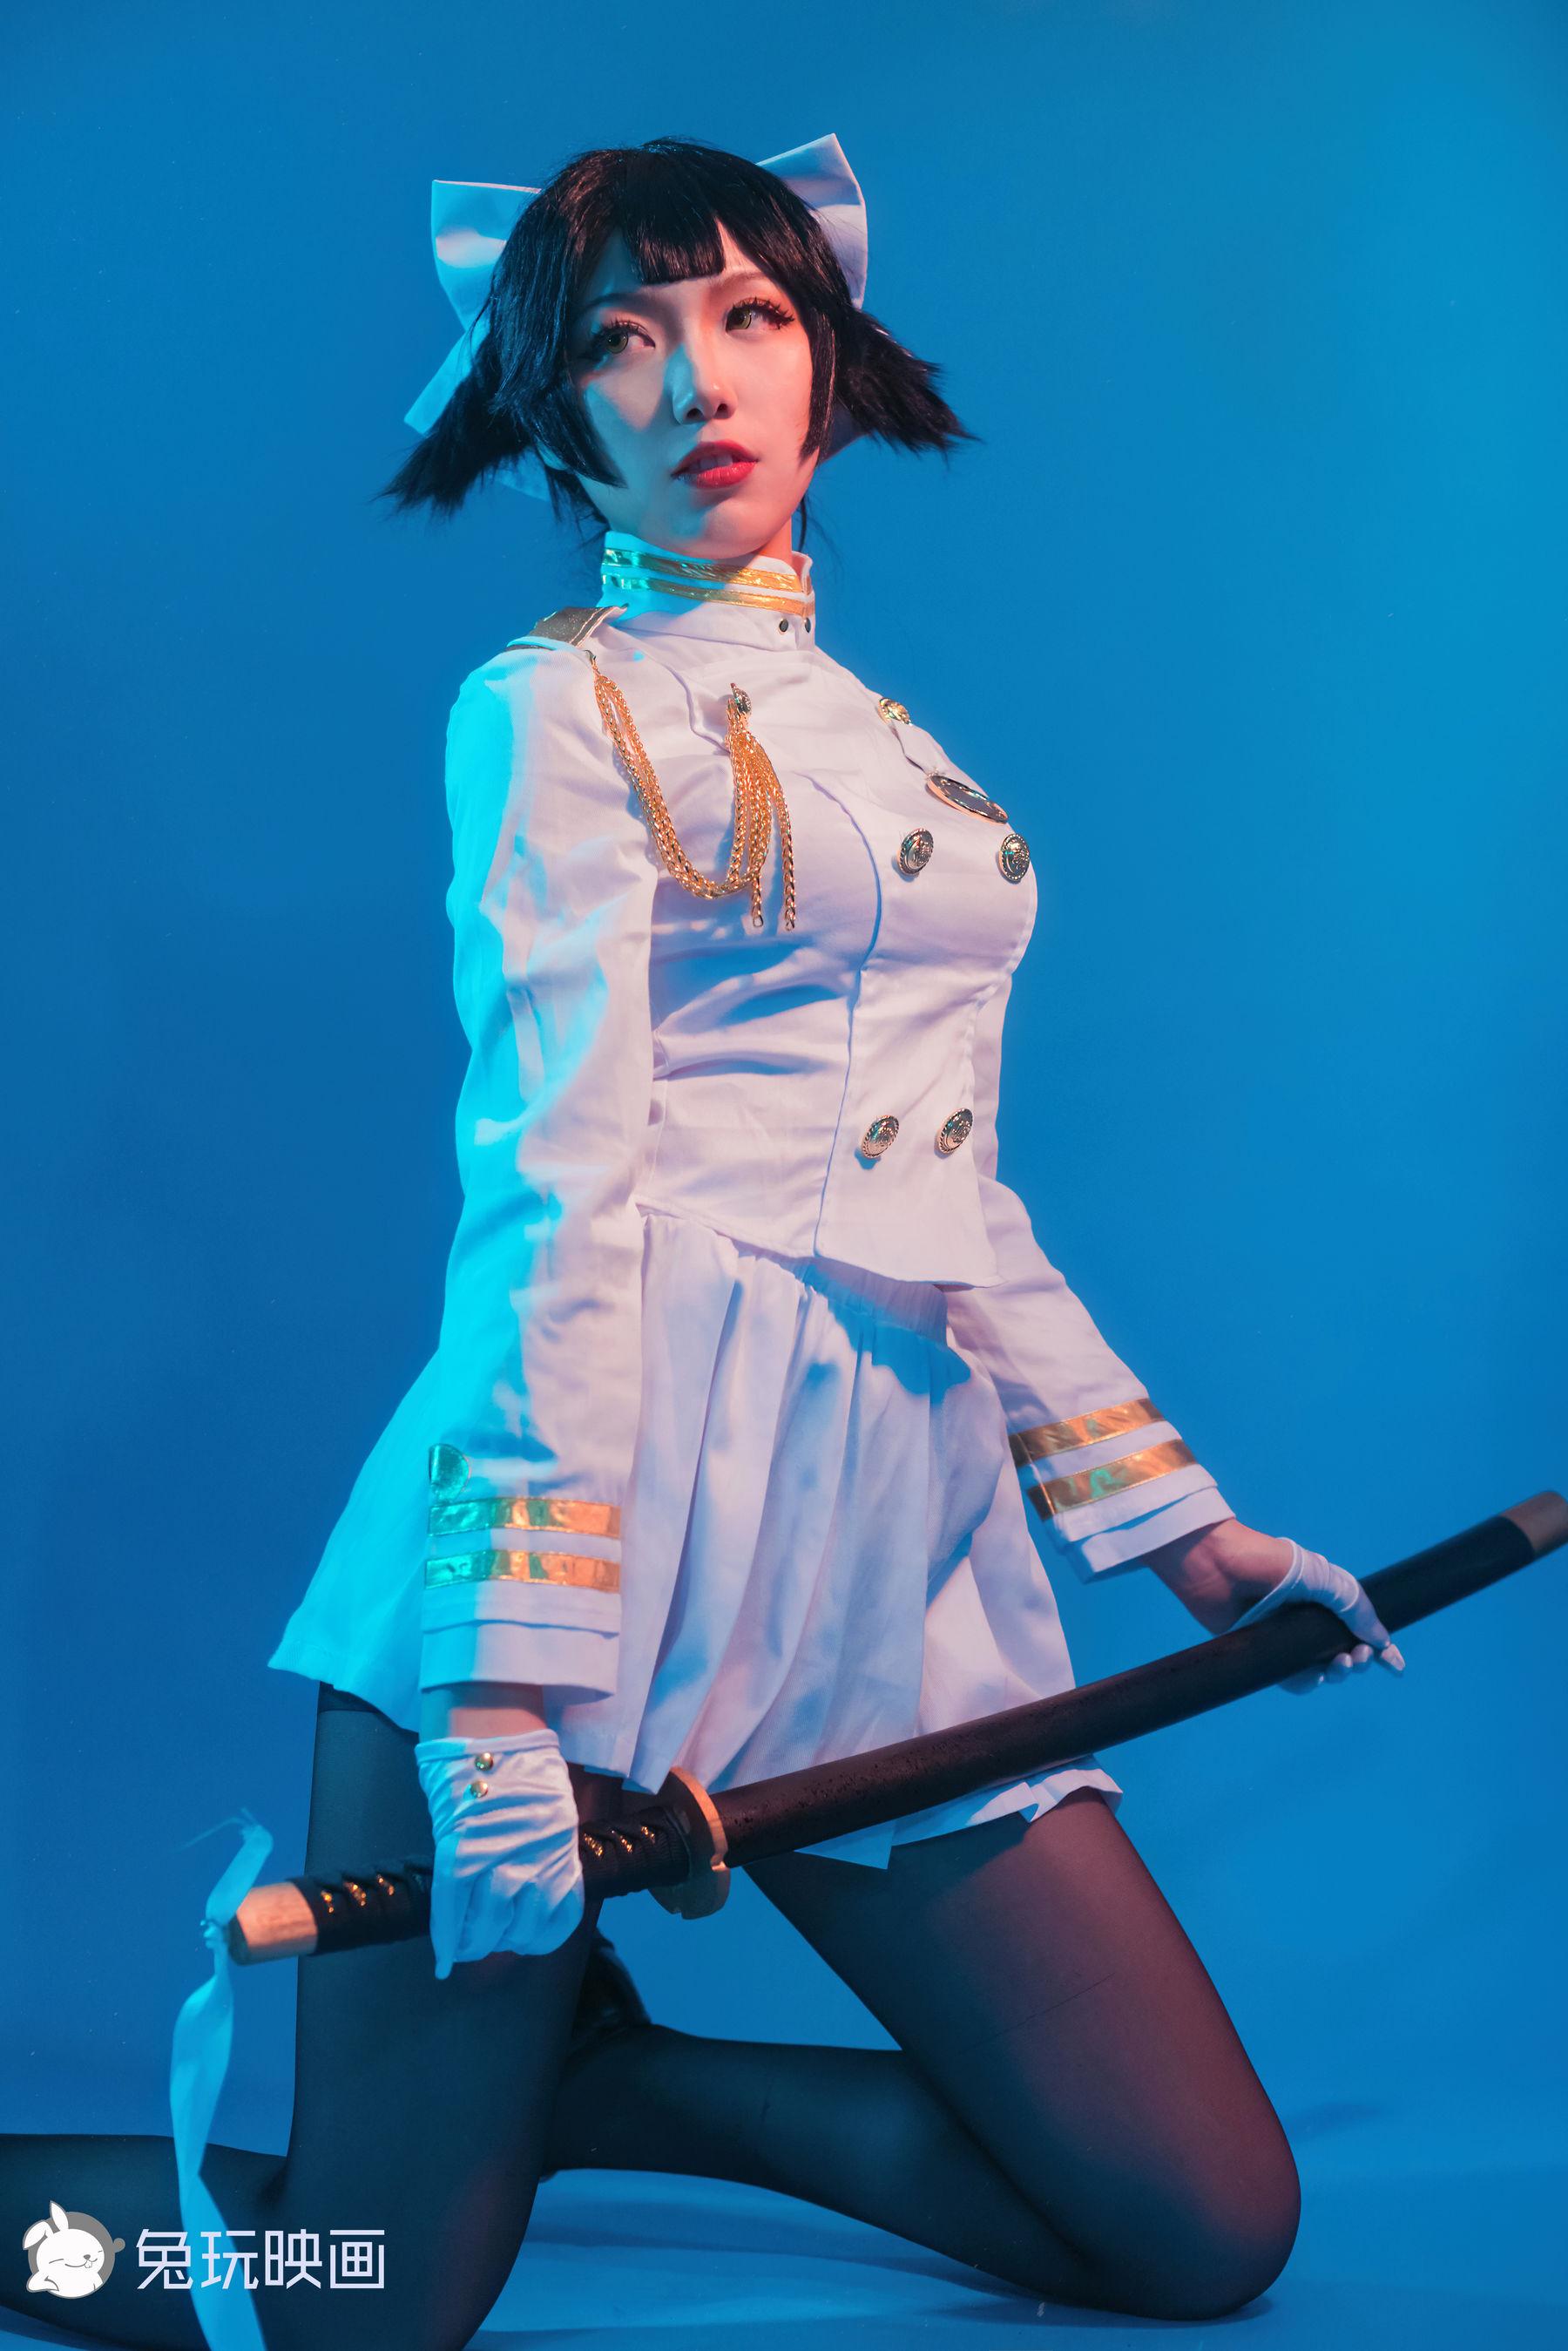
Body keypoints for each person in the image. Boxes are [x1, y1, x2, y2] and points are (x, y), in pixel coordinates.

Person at [1, 132, 1406, 2351]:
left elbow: (947, 1196)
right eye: (621, 343)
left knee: (1198, 2220)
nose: (695, 382)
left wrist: (1194, 1542)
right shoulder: (549, 706)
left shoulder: (889, 743)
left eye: (748, 316)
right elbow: (552, 1190)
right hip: (598, 1531)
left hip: (889, 1550)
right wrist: (498, 1690)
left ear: (827, 360)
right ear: (551, 411)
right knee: (356, 2296)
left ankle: (615, 2081)